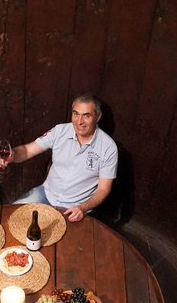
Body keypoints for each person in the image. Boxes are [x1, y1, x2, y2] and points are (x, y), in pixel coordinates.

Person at [9, 93, 118, 222]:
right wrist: (12, 155)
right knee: (11, 218)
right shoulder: (60, 131)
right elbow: (27, 150)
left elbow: (103, 189)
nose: (79, 121)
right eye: (75, 114)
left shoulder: (108, 147)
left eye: (86, 116)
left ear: (98, 117)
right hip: (46, 195)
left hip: (75, 208)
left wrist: (83, 208)